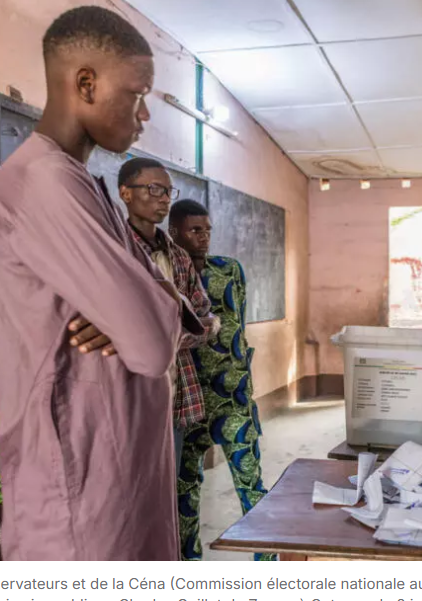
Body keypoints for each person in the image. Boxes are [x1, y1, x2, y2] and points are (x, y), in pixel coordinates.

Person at [0, 6, 203, 560]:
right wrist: (146, 305)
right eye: (136, 94)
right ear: (84, 83)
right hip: (80, 489)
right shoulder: (43, 183)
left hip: (121, 472)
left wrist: (147, 300)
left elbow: (162, 309)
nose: (143, 115)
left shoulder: (86, 186)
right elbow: (150, 344)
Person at [169, 200, 274, 561]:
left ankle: (268, 565)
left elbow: (238, 327)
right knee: (185, 495)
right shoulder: (166, 278)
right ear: (174, 233)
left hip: (233, 399)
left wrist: (241, 375)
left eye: (208, 229)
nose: (203, 237)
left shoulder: (229, 270)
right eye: (194, 230)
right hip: (188, 403)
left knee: (251, 483)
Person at [118, 158, 220, 472]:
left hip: (175, 392)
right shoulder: (113, 249)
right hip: (125, 390)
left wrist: (163, 335)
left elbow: (205, 318)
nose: (164, 198)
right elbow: (116, 325)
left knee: (167, 484)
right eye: (154, 189)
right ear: (126, 194)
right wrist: (179, 331)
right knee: (126, 483)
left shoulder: (177, 256)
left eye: (168, 191)